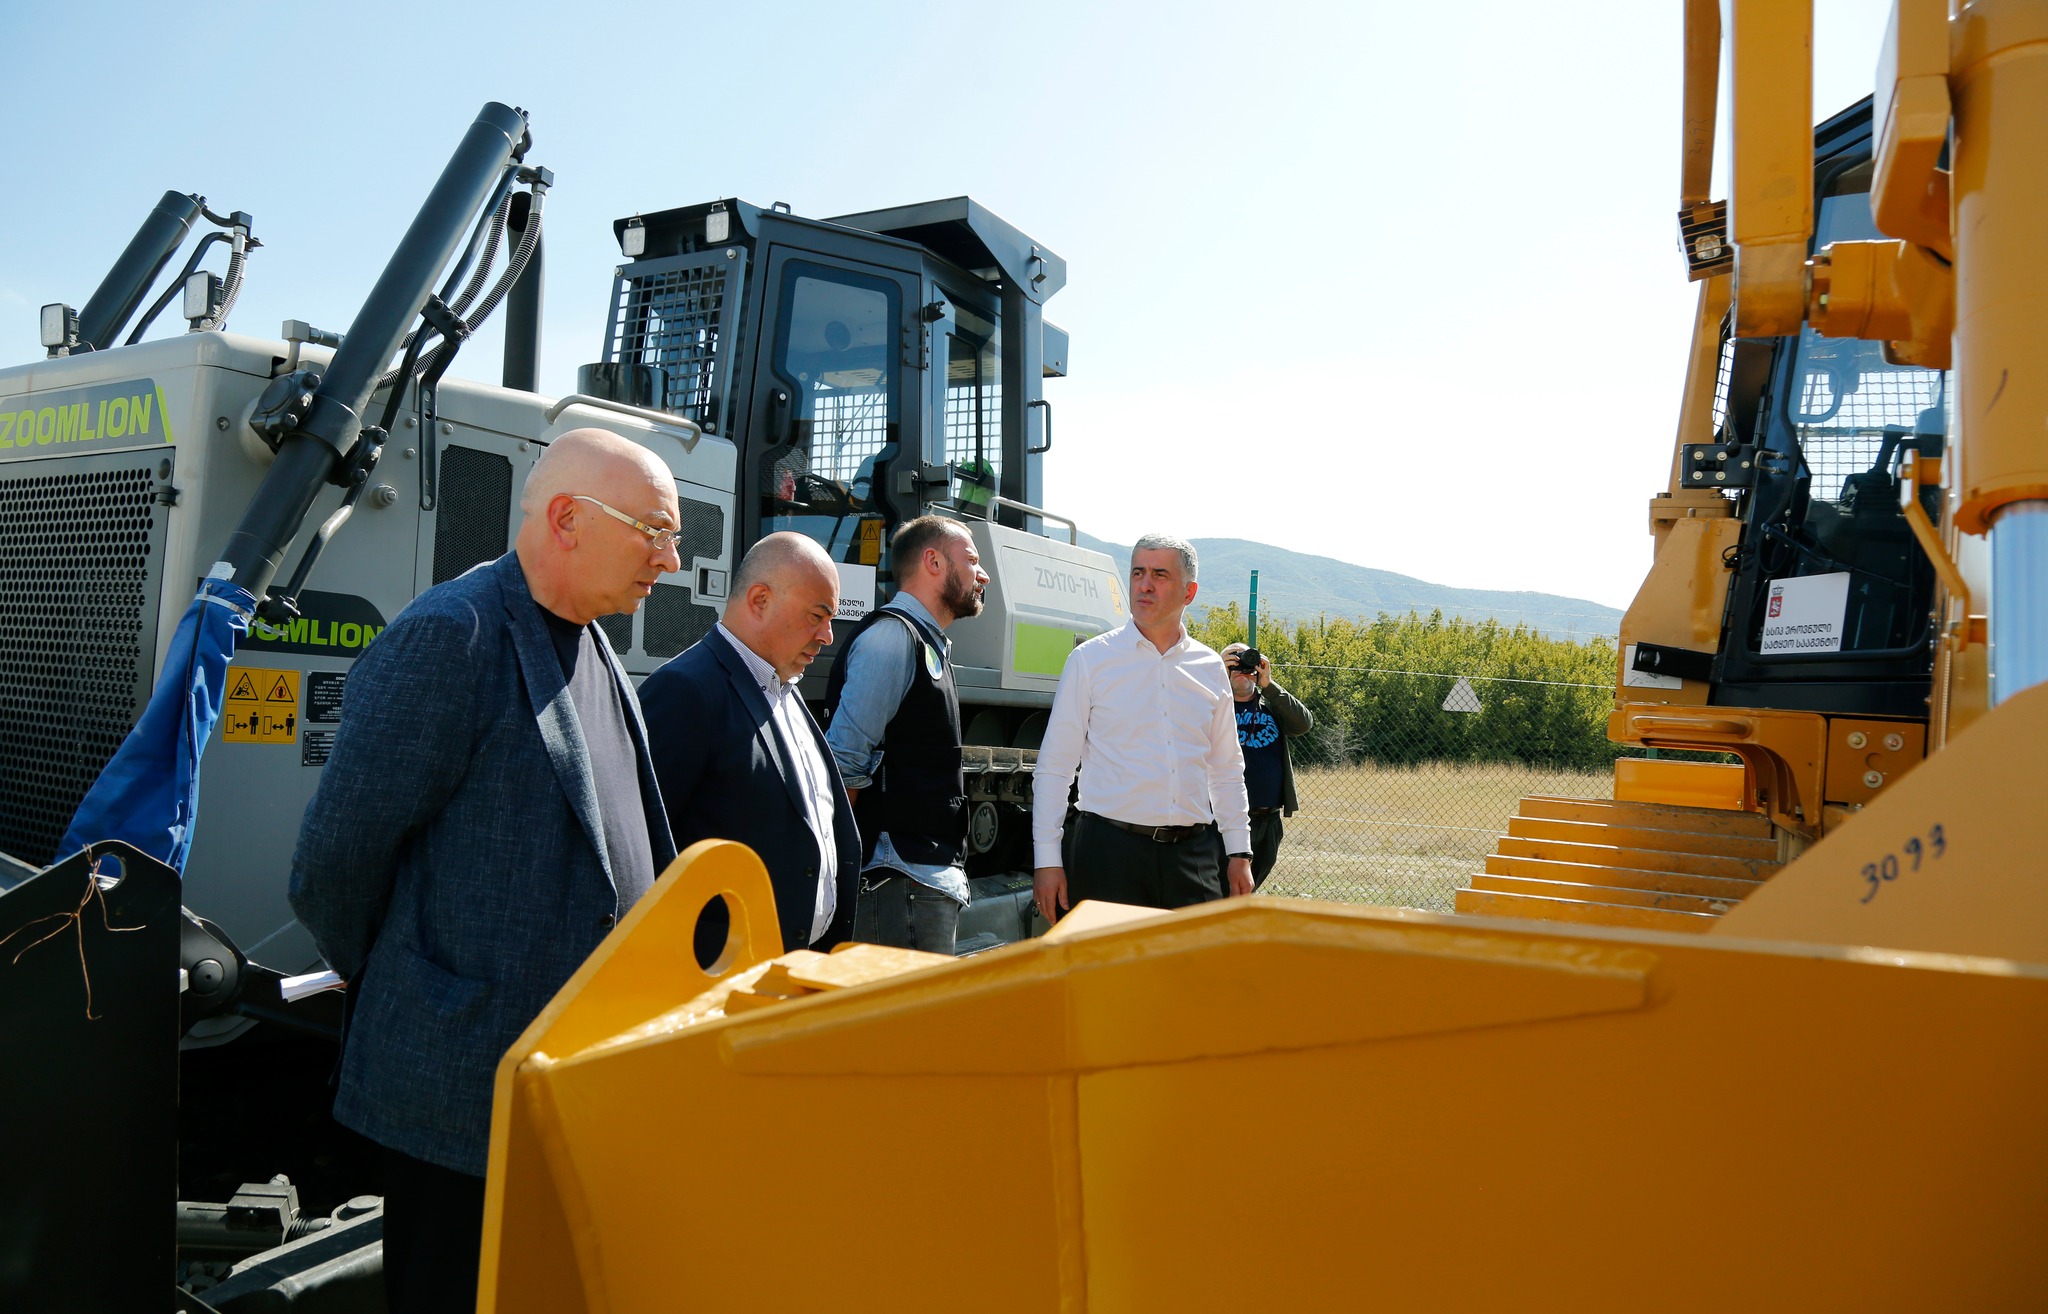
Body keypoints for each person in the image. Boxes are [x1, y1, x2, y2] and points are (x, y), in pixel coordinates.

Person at [288, 427, 681, 1312]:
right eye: (654, 531)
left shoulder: (597, 648)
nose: (671, 558)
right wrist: (408, 982)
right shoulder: (451, 636)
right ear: (568, 519)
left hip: (566, 1087)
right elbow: (334, 859)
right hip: (463, 1091)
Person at [637, 532, 861, 958]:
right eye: (817, 615)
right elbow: (641, 848)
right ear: (759, 600)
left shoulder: (783, 685)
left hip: (792, 966)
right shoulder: (686, 690)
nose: (828, 635)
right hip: (717, 973)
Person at [1031, 532, 1253, 923]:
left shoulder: (1210, 668)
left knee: (1194, 962)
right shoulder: (1090, 660)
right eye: (1137, 573)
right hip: (1109, 855)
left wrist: (1239, 851)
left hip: (1193, 856)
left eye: (1159, 575)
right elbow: (1055, 767)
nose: (1144, 585)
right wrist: (1047, 860)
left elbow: (1226, 769)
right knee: (1107, 965)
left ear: (1189, 592)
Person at [823, 516, 989, 954]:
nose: (983, 575)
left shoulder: (923, 640)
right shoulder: (893, 639)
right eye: (972, 560)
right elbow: (844, 763)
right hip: (898, 879)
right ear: (933, 562)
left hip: (914, 877)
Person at [1219, 641, 1313, 888]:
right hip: (1223, 819)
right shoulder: (1215, 705)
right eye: (1234, 664)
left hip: (1267, 818)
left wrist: (1269, 685)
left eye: (1247, 664)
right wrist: (1216, 674)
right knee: (1217, 891)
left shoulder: (1271, 705)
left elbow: (1303, 724)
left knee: (1247, 891)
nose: (1242, 671)